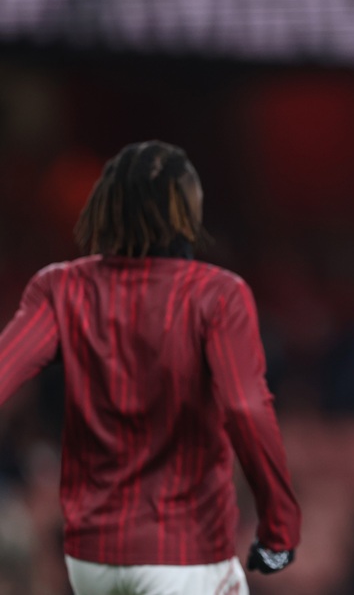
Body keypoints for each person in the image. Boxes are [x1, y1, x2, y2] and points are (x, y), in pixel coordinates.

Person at [0, 141, 301, 594]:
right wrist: (280, 525)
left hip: (92, 559)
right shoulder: (217, 294)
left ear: (105, 207)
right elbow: (245, 409)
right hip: (186, 554)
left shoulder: (60, 287)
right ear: (189, 213)